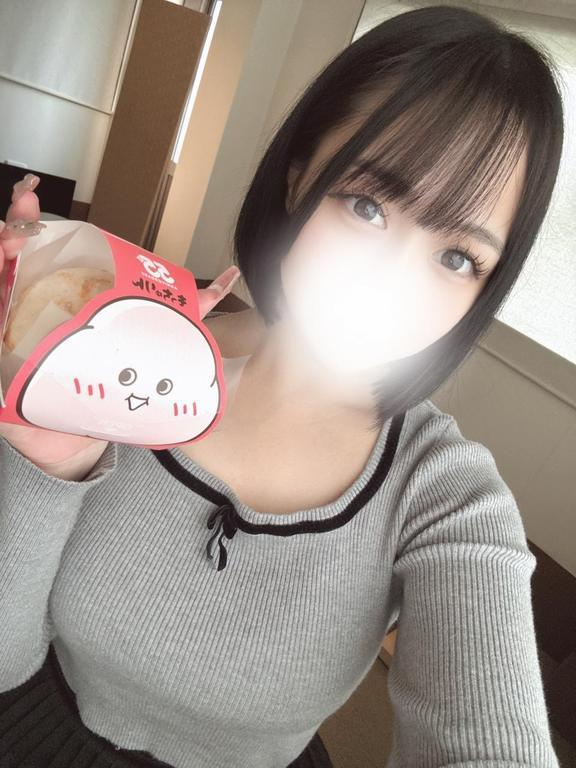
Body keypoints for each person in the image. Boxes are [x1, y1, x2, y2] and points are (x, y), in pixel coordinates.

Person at [0, 4, 564, 767]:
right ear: (300, 175)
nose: (390, 283)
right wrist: (41, 462)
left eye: (458, 257)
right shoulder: (120, 344)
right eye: (368, 206)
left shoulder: (448, 497)